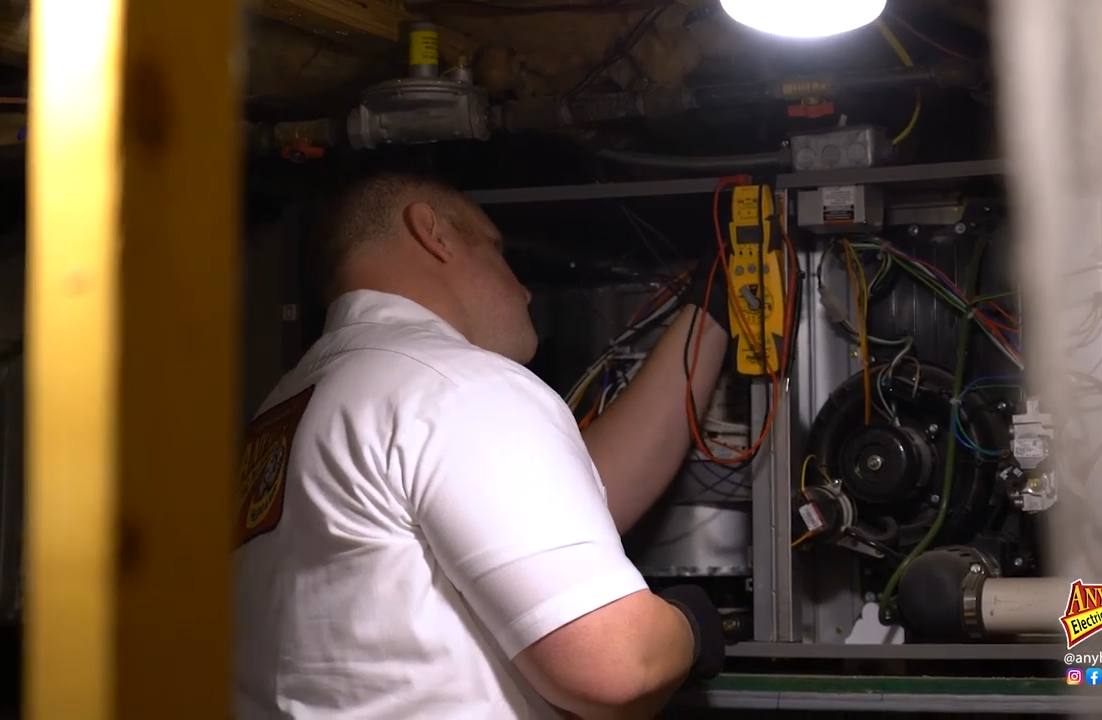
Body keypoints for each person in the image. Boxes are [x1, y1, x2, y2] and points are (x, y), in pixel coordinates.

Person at [232, 166, 735, 719]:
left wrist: (708, 313)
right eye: (497, 250)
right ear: (434, 233)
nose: (522, 288)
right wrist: (689, 625)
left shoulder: (283, 410)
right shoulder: (455, 385)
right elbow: (619, 665)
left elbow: (540, 527)